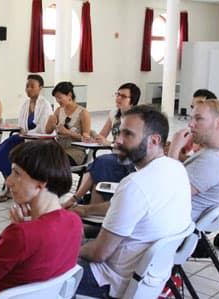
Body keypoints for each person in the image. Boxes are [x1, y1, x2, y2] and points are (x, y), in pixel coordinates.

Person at [76, 105, 191, 298]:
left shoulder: (134, 185)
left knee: (37, 263)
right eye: (119, 132)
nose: (118, 141)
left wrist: (71, 248)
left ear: (154, 140)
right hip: (152, 278)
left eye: (128, 134)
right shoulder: (177, 169)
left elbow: (98, 254)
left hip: (113, 280)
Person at [0, 140, 82, 299]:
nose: (8, 181)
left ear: (41, 183)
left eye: (17, 173)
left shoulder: (21, 234)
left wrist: (17, 232)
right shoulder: (74, 222)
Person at [0, 74, 54, 202]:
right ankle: (9, 189)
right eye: (27, 86)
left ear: (40, 88)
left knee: (11, 142)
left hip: (40, 142)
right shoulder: (25, 104)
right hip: (26, 139)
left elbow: (43, 129)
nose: (28, 89)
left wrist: (26, 133)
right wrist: (22, 131)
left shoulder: (45, 104)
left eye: (32, 86)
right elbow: (21, 125)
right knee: (9, 150)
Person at [63, 83, 141, 206]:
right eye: (118, 94)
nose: (118, 98)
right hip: (115, 157)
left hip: (128, 160)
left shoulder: (137, 118)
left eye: (123, 96)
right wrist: (93, 139)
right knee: (97, 165)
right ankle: (81, 201)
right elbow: (102, 135)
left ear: (133, 101)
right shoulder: (114, 113)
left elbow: (131, 145)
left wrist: (109, 144)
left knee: (100, 161)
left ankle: (75, 199)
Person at [167, 99, 219, 221]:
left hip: (172, 225)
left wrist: (174, 149)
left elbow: (169, 193)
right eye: (191, 118)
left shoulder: (214, 160)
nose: (191, 124)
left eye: (198, 119)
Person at [45, 81, 91, 166]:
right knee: (40, 157)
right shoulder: (59, 110)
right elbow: (48, 131)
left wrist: (68, 132)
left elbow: (87, 140)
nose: (57, 101)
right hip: (60, 149)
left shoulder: (83, 113)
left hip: (75, 152)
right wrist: (50, 122)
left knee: (52, 162)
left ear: (69, 95)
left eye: (60, 97)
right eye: (56, 98)